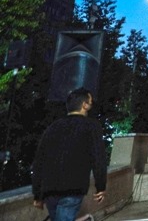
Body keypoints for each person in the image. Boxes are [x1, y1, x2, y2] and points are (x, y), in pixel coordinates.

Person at [32, 87, 107, 221]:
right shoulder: (91, 126)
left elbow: (39, 162)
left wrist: (37, 194)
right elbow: (98, 158)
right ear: (84, 105)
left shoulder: (53, 127)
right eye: (90, 102)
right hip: (73, 187)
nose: (91, 104)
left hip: (50, 189)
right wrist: (100, 186)